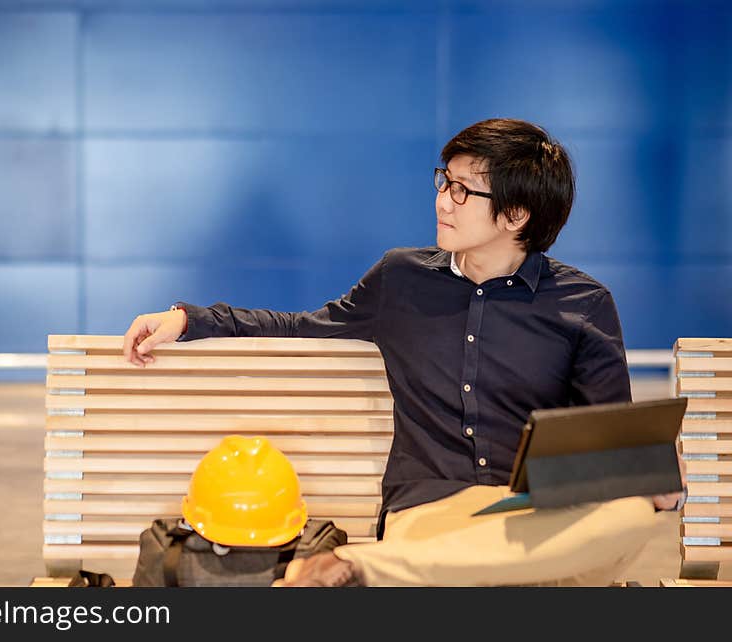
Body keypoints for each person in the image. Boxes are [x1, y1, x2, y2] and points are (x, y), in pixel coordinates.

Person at [122, 118, 684, 586]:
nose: (444, 199)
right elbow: (302, 326)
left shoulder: (584, 305)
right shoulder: (402, 278)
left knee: (631, 514)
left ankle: (364, 568)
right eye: (445, 181)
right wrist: (189, 319)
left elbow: (608, 440)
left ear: (516, 215)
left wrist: (643, 473)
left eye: (465, 189)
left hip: (532, 518)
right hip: (433, 509)